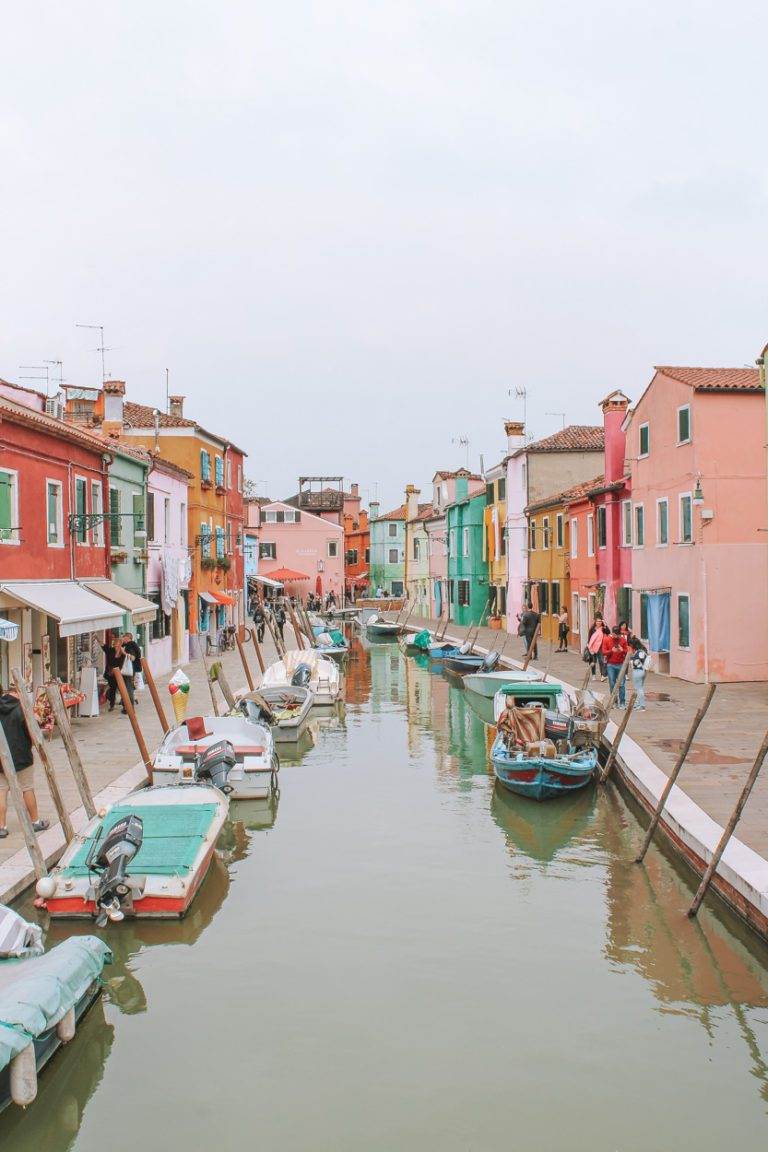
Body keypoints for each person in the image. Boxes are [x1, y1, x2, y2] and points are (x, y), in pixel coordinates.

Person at [0, 683, 50, 839]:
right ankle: (34, 821)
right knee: (27, 788)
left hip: (1, 757)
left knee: (1, 790)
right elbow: (31, 729)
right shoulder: (20, 706)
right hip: (22, 754)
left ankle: (1, 826)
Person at [603, 626, 629, 707]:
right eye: (615, 635)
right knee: (612, 683)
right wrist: (611, 651)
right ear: (612, 633)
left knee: (621, 684)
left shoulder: (623, 640)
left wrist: (622, 650)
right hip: (610, 664)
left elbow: (628, 652)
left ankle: (622, 702)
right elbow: (604, 652)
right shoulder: (606, 639)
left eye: (618, 635)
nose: (616, 637)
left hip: (621, 664)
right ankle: (614, 701)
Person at [120, 632, 142, 712]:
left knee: (128, 688)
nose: (122, 639)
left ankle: (129, 708)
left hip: (129, 671)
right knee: (127, 688)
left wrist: (123, 652)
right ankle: (126, 706)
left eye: (123, 637)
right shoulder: (131, 645)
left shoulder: (130, 645)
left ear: (127, 638)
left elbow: (132, 658)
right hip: (131, 670)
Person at [101, 631, 123, 711]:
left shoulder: (123, 653)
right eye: (114, 644)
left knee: (122, 689)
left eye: (117, 644)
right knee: (113, 689)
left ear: (120, 644)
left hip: (120, 674)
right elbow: (103, 646)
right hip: (111, 674)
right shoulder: (111, 650)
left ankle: (125, 704)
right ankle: (112, 705)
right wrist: (96, 638)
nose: (115, 645)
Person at [629, 637, 649, 711]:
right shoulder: (642, 651)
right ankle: (638, 704)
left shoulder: (638, 652)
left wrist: (631, 657)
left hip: (638, 671)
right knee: (639, 688)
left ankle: (642, 705)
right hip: (642, 671)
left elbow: (635, 662)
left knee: (639, 689)